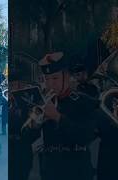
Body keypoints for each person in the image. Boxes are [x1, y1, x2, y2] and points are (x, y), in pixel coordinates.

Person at [29, 52, 99, 180]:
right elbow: (30, 138)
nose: (50, 84)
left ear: (66, 77)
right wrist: (35, 125)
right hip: (50, 169)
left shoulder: (84, 102)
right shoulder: (44, 102)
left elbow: (86, 136)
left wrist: (57, 117)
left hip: (76, 169)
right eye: (47, 79)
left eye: (55, 78)